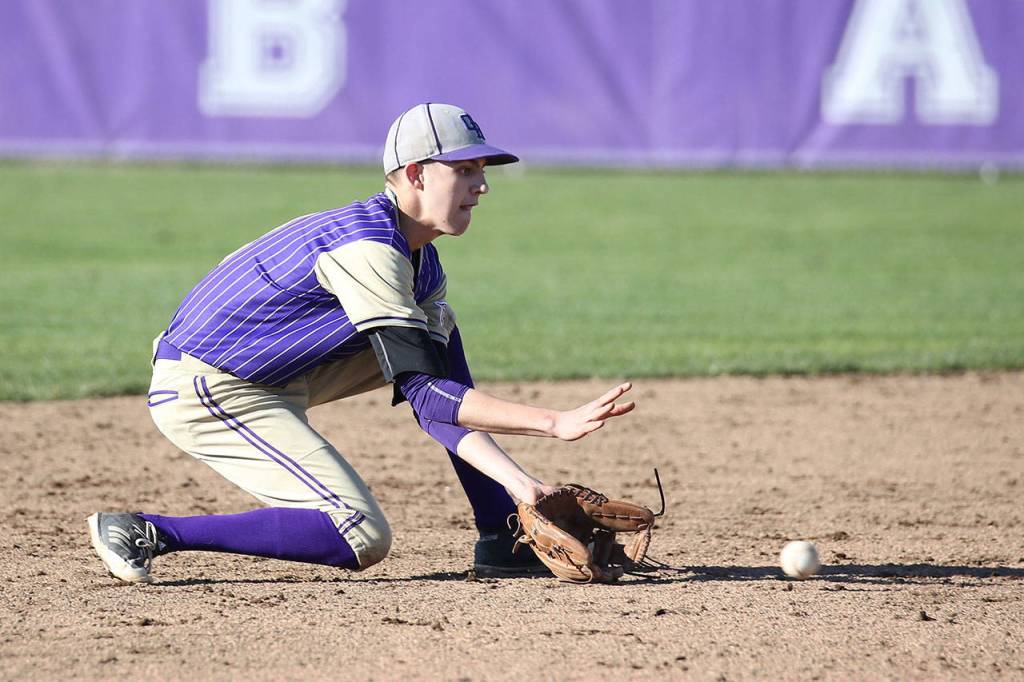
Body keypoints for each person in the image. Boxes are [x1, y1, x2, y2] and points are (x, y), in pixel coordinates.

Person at [87, 103, 635, 583]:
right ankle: (146, 530)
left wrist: (519, 486)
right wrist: (552, 422)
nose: (482, 185)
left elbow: (440, 399)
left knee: (437, 330)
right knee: (360, 533)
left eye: (482, 171)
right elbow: (427, 397)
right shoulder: (369, 248)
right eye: (465, 170)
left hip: (274, 372)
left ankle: (500, 532)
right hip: (209, 386)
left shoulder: (420, 259)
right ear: (417, 174)